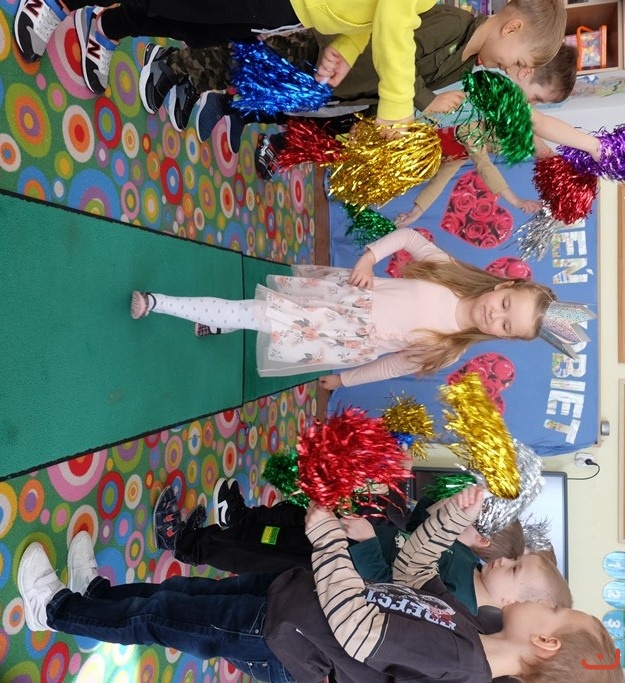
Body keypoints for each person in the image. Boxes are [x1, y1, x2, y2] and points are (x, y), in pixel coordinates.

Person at [18, 486, 621, 682]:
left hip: (286, 637)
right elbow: (413, 574)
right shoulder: (475, 630)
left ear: (545, 643)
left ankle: (57, 610)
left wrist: (330, 540)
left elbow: (360, 632)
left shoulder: (461, 662)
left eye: (556, 613)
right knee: (180, 599)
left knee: (164, 619)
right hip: (293, 602)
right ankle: (95, 596)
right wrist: (448, 522)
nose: (547, 609)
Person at [13, 0, 566, 133]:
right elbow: (397, 23)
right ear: (511, 27)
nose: (509, 69)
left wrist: (345, 46)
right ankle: (61, 7)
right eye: (518, 63)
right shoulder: (452, 17)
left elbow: (377, 20)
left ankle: (107, 26)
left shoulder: (464, 52)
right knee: (191, 9)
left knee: (198, 23)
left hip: (297, 14)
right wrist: (405, 103)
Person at [129, 227, 567, 387]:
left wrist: (345, 380)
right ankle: (211, 320)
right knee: (260, 313)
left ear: (503, 337)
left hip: (336, 337)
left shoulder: (448, 349)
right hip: (340, 297)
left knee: (259, 315)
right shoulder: (450, 273)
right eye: (505, 304)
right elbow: (411, 238)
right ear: (504, 284)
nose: (496, 316)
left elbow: (391, 366)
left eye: (506, 326)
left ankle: (158, 304)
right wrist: (369, 257)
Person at [153, 480, 568, 617]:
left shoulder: (456, 601)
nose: (504, 561)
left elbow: (389, 592)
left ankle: (184, 544)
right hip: (343, 540)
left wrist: (367, 543)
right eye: (515, 558)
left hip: (335, 568)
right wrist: (450, 508)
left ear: (513, 604)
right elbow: (419, 531)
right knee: (271, 538)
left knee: (259, 556)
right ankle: (206, 536)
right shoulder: (469, 564)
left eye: (514, 569)